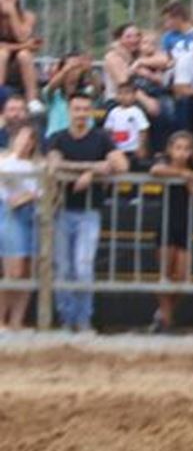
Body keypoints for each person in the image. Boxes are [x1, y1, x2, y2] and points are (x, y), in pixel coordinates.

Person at [45, 95, 129, 331]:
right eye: (76, 109)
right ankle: (66, 318)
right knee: (63, 268)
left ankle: (83, 319)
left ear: (91, 112)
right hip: (61, 210)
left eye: (85, 109)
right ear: (69, 111)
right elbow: (53, 165)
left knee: (82, 268)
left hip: (89, 212)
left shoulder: (101, 138)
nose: (81, 114)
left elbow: (122, 165)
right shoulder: (57, 138)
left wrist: (91, 173)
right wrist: (94, 168)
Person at [148, 131, 193, 333]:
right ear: (170, 150)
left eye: (186, 149)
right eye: (178, 148)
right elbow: (156, 171)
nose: (182, 153)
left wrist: (190, 178)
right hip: (166, 222)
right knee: (165, 274)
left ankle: (163, 313)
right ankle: (167, 320)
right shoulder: (163, 163)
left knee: (182, 277)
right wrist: (181, 174)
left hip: (186, 223)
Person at [0, 125, 41, 330]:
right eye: (22, 138)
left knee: (28, 271)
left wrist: (27, 196)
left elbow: (41, 192)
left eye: (30, 139)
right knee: (13, 271)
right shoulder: (5, 161)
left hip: (32, 215)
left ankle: (17, 320)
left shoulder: (37, 165)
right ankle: (1, 319)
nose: (26, 143)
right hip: (11, 214)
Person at [0, 0, 43, 113]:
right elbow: (26, 43)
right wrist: (25, 45)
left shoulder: (28, 16)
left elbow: (23, 36)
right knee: (2, 54)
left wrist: (12, 12)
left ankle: (32, 100)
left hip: (19, 60)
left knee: (24, 55)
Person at [42, 52, 97, 138]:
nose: (73, 71)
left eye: (77, 68)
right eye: (69, 67)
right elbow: (50, 88)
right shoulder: (55, 94)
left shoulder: (87, 92)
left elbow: (97, 89)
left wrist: (89, 70)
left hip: (85, 139)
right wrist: (66, 69)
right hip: (56, 139)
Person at [103, 78, 151, 167]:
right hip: (117, 150)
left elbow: (143, 130)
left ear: (133, 95)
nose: (123, 96)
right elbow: (108, 130)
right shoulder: (113, 112)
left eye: (127, 93)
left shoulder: (137, 112)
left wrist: (141, 147)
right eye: (120, 93)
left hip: (133, 149)